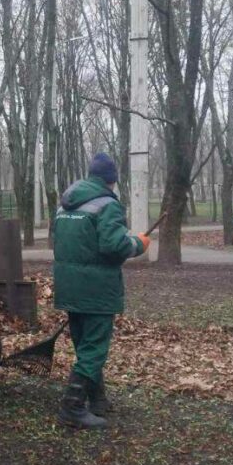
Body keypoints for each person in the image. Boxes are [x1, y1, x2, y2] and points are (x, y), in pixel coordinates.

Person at [51, 153, 150, 429]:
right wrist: (138, 244)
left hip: (68, 287)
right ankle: (72, 407)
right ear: (112, 180)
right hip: (96, 290)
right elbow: (113, 246)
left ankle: (97, 399)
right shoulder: (108, 205)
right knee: (94, 348)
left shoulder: (64, 204)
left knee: (84, 344)